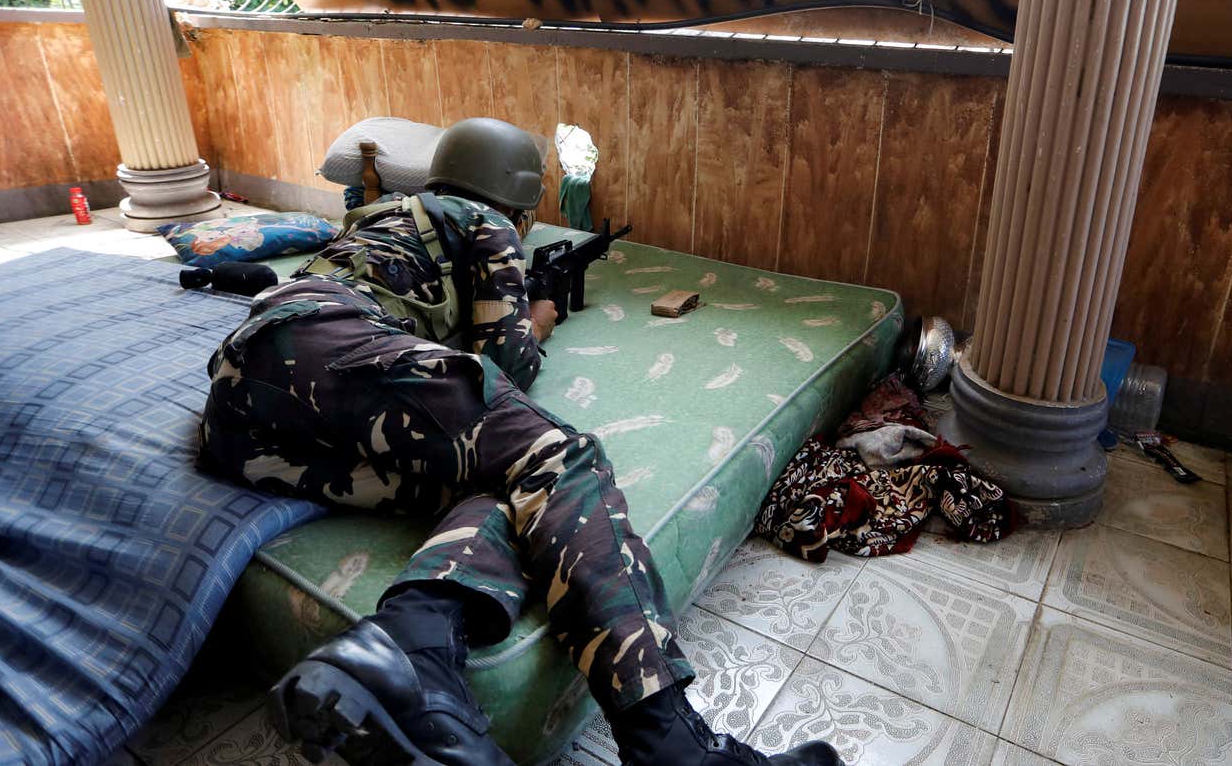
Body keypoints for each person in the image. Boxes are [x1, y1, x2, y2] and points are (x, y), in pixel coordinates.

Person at [198, 118, 839, 766]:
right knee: (559, 457)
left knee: (500, 472)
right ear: (519, 201)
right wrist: (538, 317)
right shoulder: (485, 223)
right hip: (325, 345)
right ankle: (671, 740)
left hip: (237, 424)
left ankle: (413, 646)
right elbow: (507, 359)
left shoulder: (377, 215)